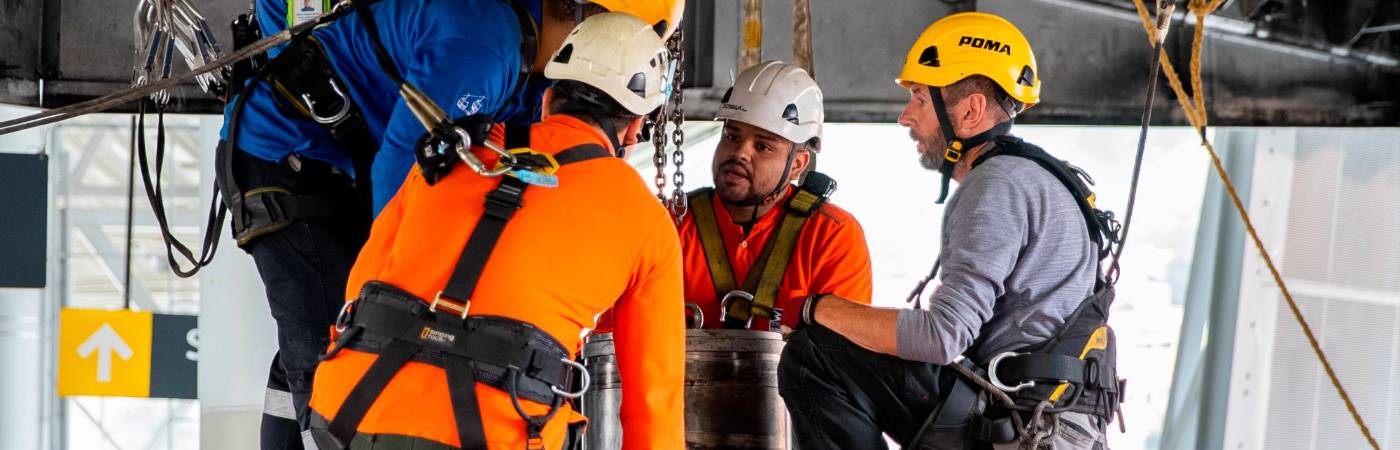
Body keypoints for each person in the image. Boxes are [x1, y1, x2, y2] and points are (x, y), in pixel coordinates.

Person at [214, 1, 682, 448]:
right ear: (634, 127)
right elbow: (398, 173)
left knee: (337, 342)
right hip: (288, 158)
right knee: (323, 347)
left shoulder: (511, 104)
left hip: (334, 165)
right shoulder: (487, 49)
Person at [776, 12, 1122, 450]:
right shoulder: (1044, 181)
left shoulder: (996, 185)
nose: (906, 117)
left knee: (815, 356)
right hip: (1055, 422)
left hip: (1022, 427)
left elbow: (943, 336)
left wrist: (819, 310)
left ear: (971, 109)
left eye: (920, 99)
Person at [603, 60, 872, 332]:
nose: (740, 153)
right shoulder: (671, 224)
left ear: (798, 164)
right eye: (732, 136)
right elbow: (610, 334)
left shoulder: (832, 237)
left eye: (763, 146)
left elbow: (842, 357)